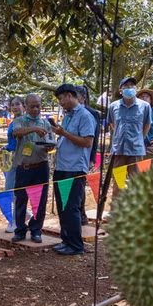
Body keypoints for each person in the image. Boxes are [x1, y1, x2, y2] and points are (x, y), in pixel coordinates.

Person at [50, 84, 96, 255]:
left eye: (61, 99)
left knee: (71, 207)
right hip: (62, 166)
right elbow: (65, 138)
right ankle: (66, 240)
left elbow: (87, 142)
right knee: (62, 206)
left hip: (74, 168)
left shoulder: (85, 116)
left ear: (70, 96)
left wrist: (64, 134)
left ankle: (76, 245)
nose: (61, 103)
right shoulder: (67, 116)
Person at [9, 93, 55, 243]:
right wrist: (34, 129)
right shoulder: (19, 120)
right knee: (21, 199)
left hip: (41, 166)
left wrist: (49, 146)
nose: (35, 109)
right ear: (26, 107)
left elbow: (51, 142)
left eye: (38, 106)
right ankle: (20, 230)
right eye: (32, 106)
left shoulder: (46, 123)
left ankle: (36, 230)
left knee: (40, 201)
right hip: (23, 167)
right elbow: (16, 132)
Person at [107, 77, 151, 197]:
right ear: (120, 91)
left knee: (135, 181)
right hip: (118, 149)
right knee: (118, 181)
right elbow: (112, 124)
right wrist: (120, 135)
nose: (129, 89)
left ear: (136, 89)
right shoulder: (113, 106)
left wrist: (138, 139)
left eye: (132, 86)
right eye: (126, 87)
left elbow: (147, 125)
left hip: (136, 150)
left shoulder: (145, 106)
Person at [76, 86, 101, 225]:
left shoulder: (91, 113)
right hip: (70, 157)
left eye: (76, 95)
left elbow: (94, 138)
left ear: (83, 97)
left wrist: (92, 157)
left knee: (80, 185)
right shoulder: (69, 112)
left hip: (85, 154)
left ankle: (82, 214)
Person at [2, 96, 25, 232]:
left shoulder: (25, 122)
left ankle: (16, 221)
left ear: (24, 106)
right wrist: (5, 147)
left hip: (23, 160)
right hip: (12, 159)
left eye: (18, 104)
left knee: (17, 191)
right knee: (9, 189)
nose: (15, 107)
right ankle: (24, 214)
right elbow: (12, 143)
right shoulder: (12, 122)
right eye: (12, 105)